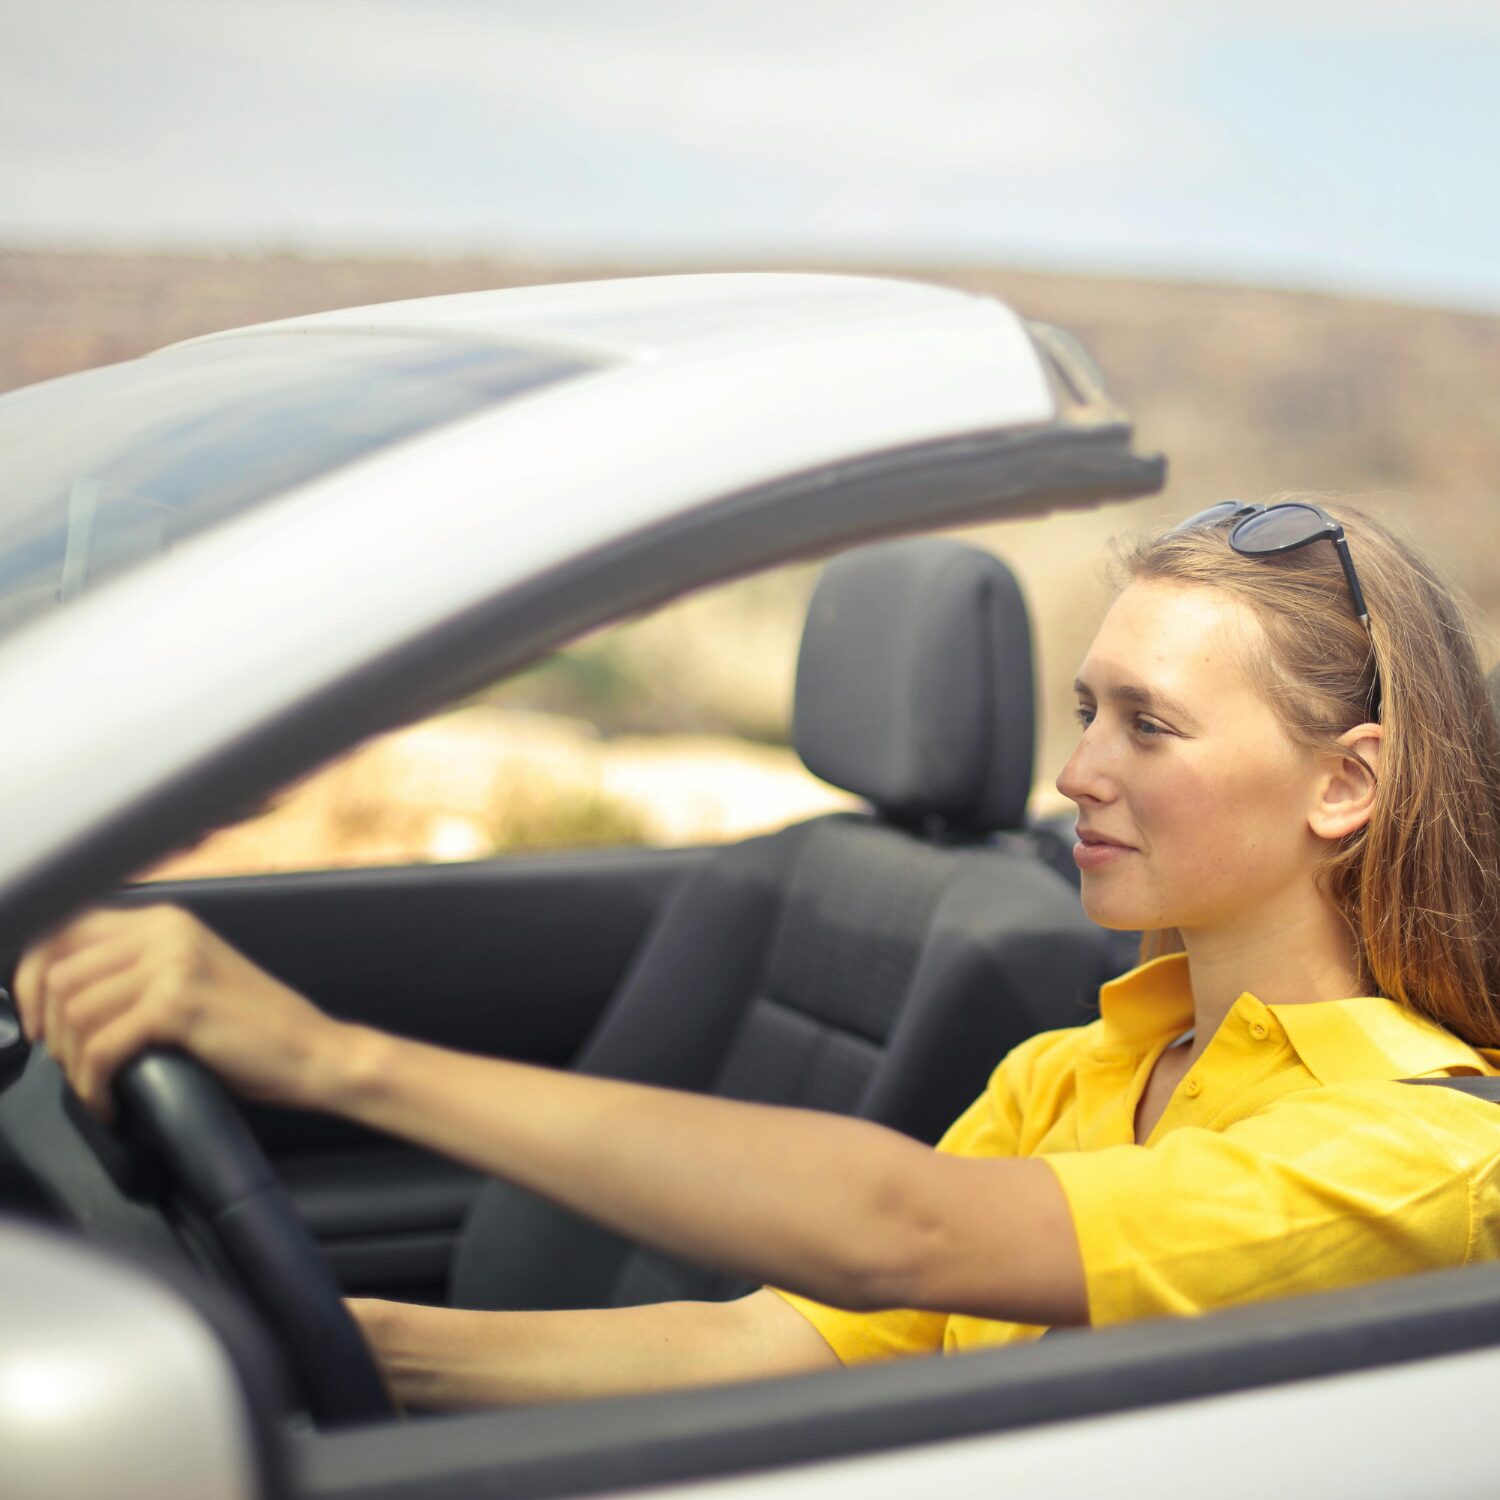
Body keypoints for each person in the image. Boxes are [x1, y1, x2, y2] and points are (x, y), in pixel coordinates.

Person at [16, 498, 1500, 1411]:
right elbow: (782, 1347)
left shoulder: (1423, 1153)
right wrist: (319, 1342)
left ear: (1344, 785)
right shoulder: (1077, 1073)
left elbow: (899, 1232)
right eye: (1084, 710)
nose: (1076, 775)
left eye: (1149, 724)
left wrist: (335, 1061)